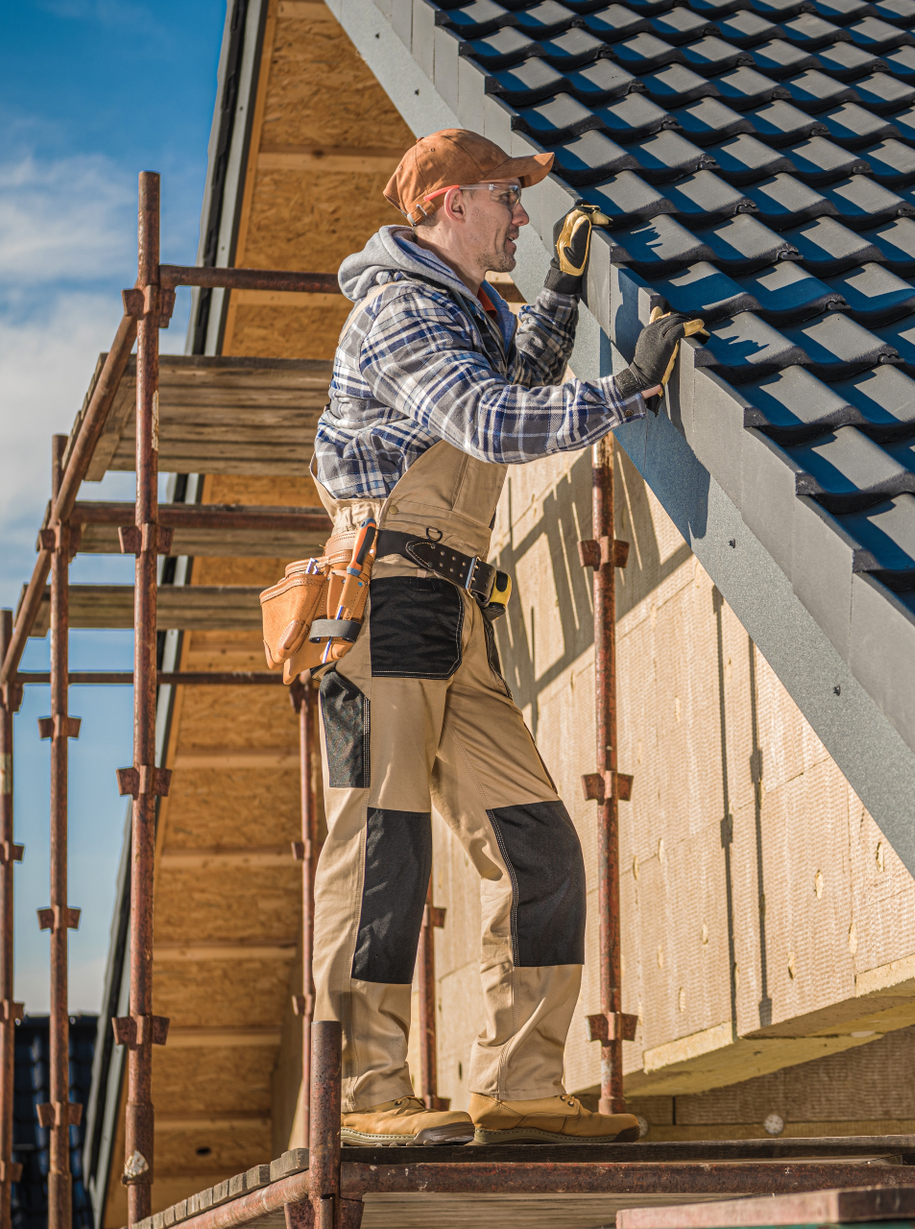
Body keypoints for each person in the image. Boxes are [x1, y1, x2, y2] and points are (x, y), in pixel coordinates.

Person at [307, 128, 702, 1146]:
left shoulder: (462, 306)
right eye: (506, 198)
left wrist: (564, 294)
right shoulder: (398, 311)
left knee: (540, 848)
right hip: (386, 596)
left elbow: (516, 373)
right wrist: (626, 395)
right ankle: (357, 1100)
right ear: (446, 203)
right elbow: (488, 420)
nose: (521, 216)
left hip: (452, 611)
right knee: (383, 851)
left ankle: (519, 1086)